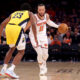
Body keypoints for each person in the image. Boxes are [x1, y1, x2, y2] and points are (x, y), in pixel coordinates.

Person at [0, 3, 37, 79]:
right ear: (28, 9)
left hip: (8, 28)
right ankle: (11, 69)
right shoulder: (29, 13)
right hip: (17, 29)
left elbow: (2, 24)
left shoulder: (14, 13)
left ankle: (3, 69)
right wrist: (35, 37)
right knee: (21, 51)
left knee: (11, 49)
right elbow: (33, 24)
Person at [26, 4, 60, 75]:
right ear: (37, 10)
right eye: (39, 10)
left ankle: (44, 64)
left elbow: (49, 22)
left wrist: (58, 26)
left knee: (46, 55)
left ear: (45, 10)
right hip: (34, 37)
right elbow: (27, 26)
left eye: (42, 10)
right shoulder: (34, 17)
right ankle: (41, 68)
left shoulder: (46, 15)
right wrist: (21, 31)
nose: (41, 11)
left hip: (43, 36)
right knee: (40, 53)